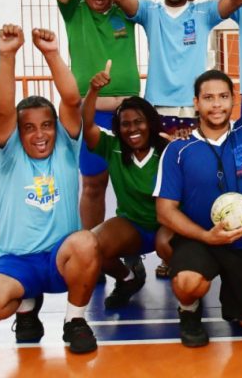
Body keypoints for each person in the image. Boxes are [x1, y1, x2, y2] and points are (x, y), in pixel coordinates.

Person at [154, 0, 242, 347]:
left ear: (233, 100)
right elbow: (165, 211)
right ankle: (189, 309)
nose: (216, 105)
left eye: (223, 97)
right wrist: (205, 236)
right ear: (196, 103)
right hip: (202, 242)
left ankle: (234, 300)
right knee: (187, 282)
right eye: (208, 98)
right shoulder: (178, 150)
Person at [0, 25, 99, 353]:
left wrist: (51, 53)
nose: (39, 134)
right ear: (18, 132)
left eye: (46, 125)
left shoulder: (66, 146)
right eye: (29, 128)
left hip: (59, 258)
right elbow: (3, 110)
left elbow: (71, 100)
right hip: (18, 262)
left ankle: (75, 321)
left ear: (56, 127)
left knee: (86, 242)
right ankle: (26, 308)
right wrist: (7, 55)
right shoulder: (9, 154)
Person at [51, 0, 139, 231]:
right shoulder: (75, 11)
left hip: (129, 113)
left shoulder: (125, 11)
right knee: (93, 184)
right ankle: (91, 247)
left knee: (135, 183)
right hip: (92, 115)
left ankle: (131, 245)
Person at [111, 0, 242, 134]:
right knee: (162, 155)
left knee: (195, 154)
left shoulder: (203, 12)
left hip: (194, 105)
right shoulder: (150, 12)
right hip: (157, 104)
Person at [82, 60, 177, 309]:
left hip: (167, 226)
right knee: (89, 246)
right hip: (131, 226)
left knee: (172, 248)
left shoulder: (168, 150)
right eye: (125, 123)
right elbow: (86, 124)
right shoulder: (112, 146)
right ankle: (128, 278)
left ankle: (189, 301)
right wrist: (93, 91)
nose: (132, 128)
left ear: (150, 123)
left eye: (139, 122)